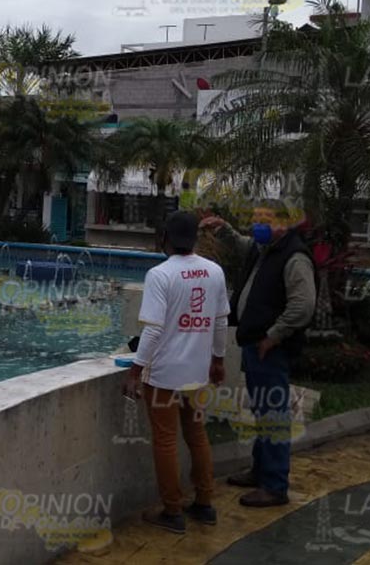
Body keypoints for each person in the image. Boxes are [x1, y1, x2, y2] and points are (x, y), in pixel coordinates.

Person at [200, 199, 316, 508]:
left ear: (283, 224)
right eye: (254, 219)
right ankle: (260, 470)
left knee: (274, 415)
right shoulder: (265, 248)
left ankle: (275, 485)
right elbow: (242, 244)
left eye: (263, 220)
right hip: (255, 344)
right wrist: (223, 229)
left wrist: (273, 337)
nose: (257, 225)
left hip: (270, 349)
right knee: (263, 412)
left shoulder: (293, 257)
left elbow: (303, 306)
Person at [122, 211, 229, 534]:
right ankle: (205, 503)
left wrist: (135, 371)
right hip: (197, 373)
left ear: (165, 238)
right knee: (197, 435)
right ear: (195, 238)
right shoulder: (214, 272)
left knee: (166, 441)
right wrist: (218, 360)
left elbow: (152, 332)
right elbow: (221, 321)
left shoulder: (160, 274)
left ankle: (172, 510)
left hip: (165, 376)